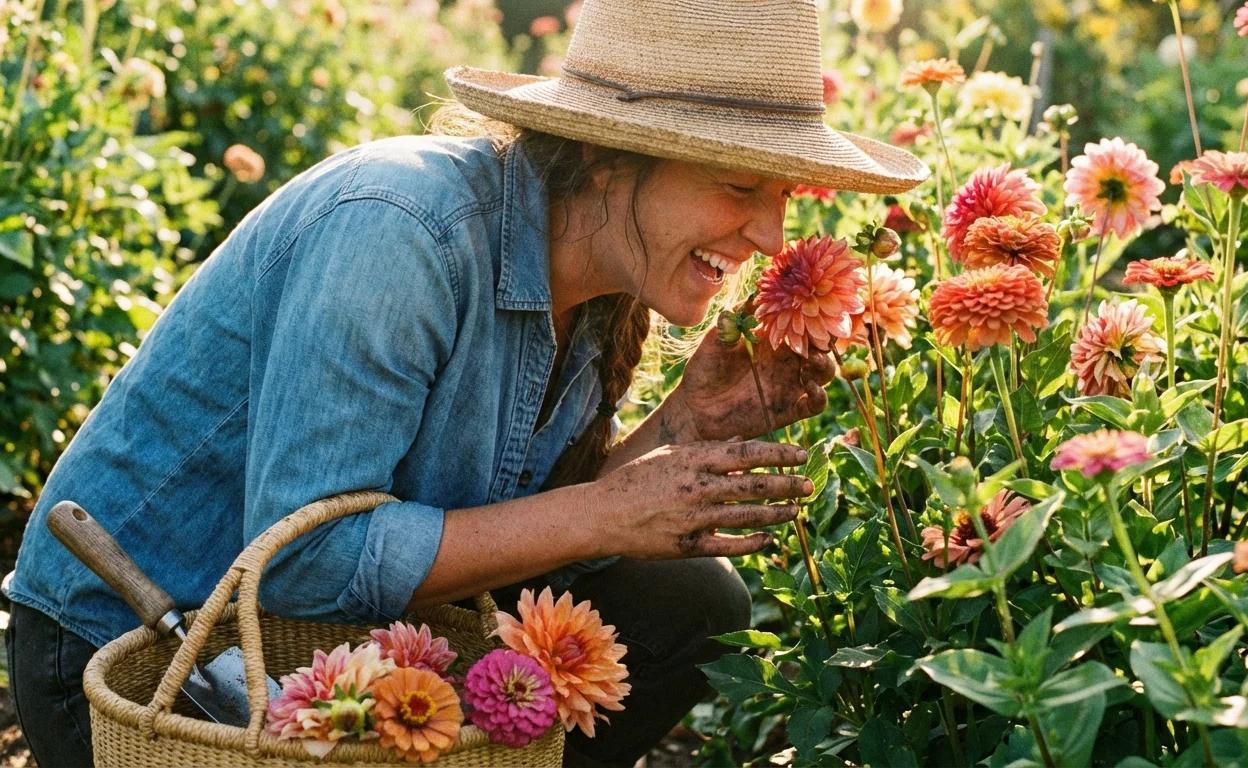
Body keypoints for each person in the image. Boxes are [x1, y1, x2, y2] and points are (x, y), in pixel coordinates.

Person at [3, 0, 926, 765]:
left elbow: (522, 529)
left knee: (692, 607)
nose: (769, 237)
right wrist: (610, 514)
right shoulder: (400, 232)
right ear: (609, 158)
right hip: (147, 654)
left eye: (783, 200)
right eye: (739, 187)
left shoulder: (602, 273)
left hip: (335, 643)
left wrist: (681, 423)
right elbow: (302, 562)